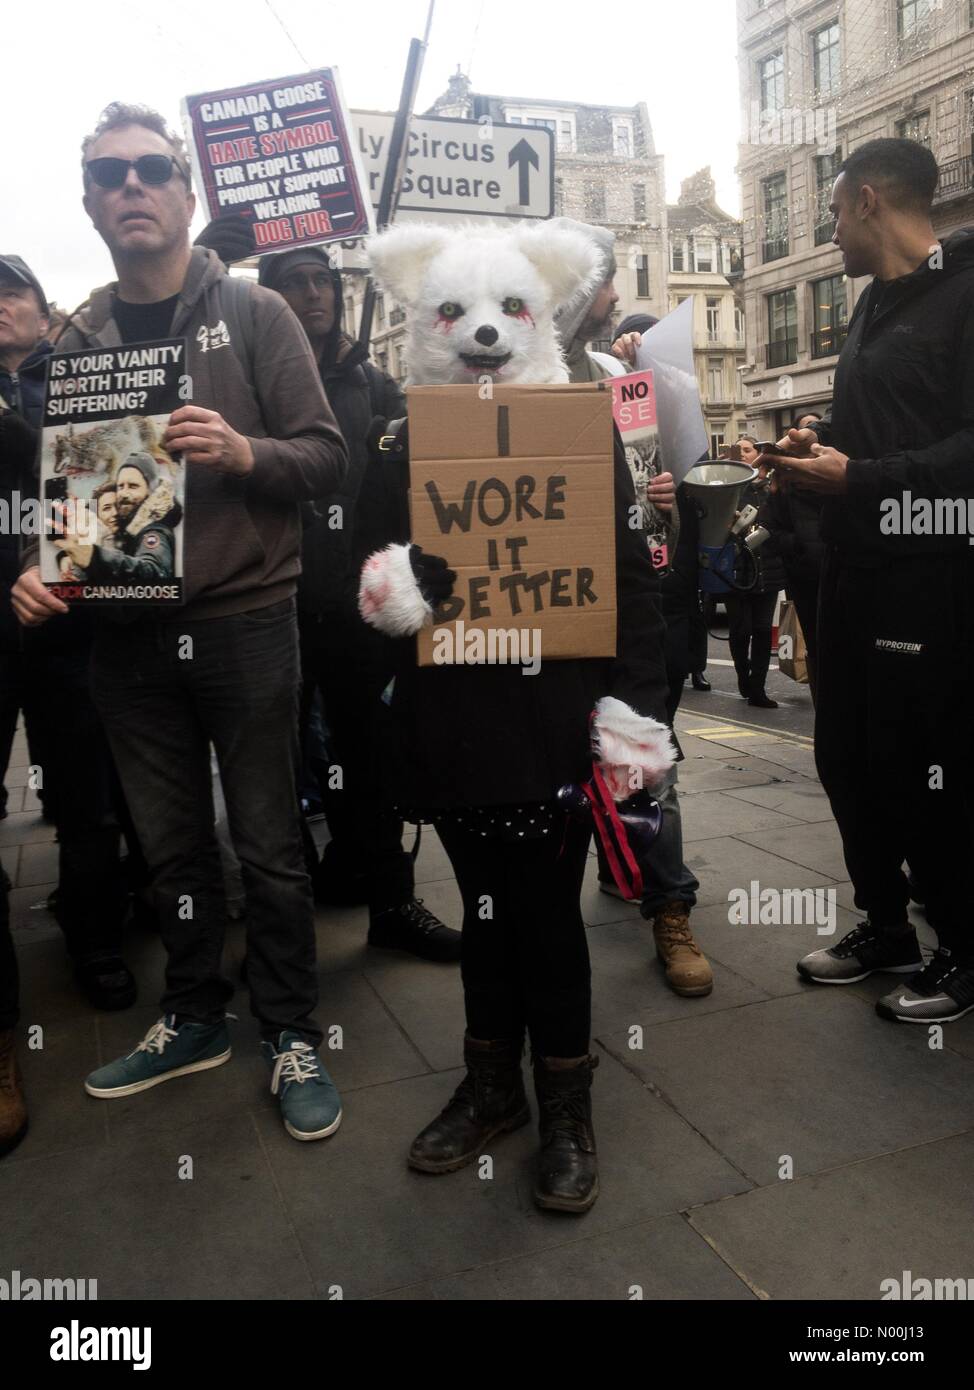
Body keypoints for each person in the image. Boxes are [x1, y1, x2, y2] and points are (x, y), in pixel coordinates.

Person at [12, 103, 351, 1136]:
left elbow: (328, 455)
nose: (131, 187)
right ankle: (195, 1012)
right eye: (109, 174)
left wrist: (247, 453)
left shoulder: (254, 316)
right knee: (168, 848)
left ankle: (290, 1029)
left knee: (268, 843)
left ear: (184, 192)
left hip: (245, 621)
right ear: (90, 203)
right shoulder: (78, 339)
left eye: (152, 169)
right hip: (123, 636)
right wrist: (44, 568)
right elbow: (69, 503)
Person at [360, 218, 677, 1211]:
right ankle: (491, 1081)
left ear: (539, 317)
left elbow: (631, 582)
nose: (482, 332)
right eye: (453, 312)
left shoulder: (583, 426)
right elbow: (367, 569)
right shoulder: (400, 439)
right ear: (425, 320)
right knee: (485, 910)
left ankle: (566, 1099)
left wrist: (631, 713)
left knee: (545, 915)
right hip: (452, 717)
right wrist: (400, 586)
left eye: (506, 312)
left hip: (553, 719)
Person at [767, 138, 974, 1023]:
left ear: (868, 203)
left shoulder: (965, 298)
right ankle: (884, 926)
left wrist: (858, 478)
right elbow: (869, 425)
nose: (828, 226)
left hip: (929, 574)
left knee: (925, 766)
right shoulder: (868, 308)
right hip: (849, 570)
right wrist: (811, 445)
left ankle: (964, 951)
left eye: (835, 207)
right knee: (843, 755)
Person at [257, 247, 460, 961]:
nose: (314, 294)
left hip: (352, 610)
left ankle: (391, 902)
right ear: (269, 297)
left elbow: (408, 479)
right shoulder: (253, 376)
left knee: (367, 761)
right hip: (267, 605)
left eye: (324, 281)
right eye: (295, 283)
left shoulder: (371, 382)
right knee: (272, 773)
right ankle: (283, 920)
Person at [1, 254, 135, 1040]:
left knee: (88, 800)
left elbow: (116, 487)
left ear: (40, 306)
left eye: (11, 290)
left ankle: (96, 940)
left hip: (71, 625)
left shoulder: (83, 382)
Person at [755, 411, 826, 699]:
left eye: (817, 429)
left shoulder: (834, 477)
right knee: (818, 649)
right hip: (804, 578)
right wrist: (796, 547)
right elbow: (769, 528)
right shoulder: (783, 483)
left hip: (837, 574)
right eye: (807, 429)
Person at [722, 438, 785, 708]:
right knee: (741, 629)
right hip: (737, 570)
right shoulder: (729, 489)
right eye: (740, 451)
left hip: (767, 568)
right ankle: (743, 675)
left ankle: (758, 688)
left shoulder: (771, 490)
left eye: (748, 450)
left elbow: (782, 524)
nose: (744, 455)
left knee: (761, 629)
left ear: (759, 456)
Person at [57, 451, 181, 583]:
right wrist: (67, 556)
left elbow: (153, 571)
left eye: (133, 486)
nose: (124, 493)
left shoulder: (155, 531)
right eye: (121, 486)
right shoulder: (127, 524)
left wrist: (94, 557)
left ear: (150, 490)